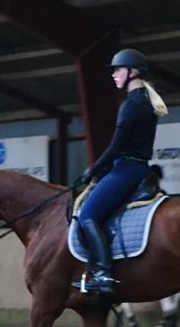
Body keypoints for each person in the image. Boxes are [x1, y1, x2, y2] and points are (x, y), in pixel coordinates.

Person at [71, 48, 168, 297]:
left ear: (132, 72)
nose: (114, 74)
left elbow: (116, 147)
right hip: (135, 167)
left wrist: (91, 171)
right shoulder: (144, 101)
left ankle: (103, 274)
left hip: (126, 169)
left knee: (88, 215)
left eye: (118, 70)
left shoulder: (132, 104)